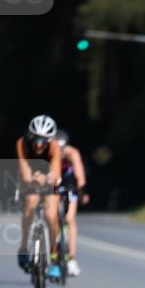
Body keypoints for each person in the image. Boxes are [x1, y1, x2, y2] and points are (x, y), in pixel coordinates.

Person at [15, 115, 62, 279]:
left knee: (50, 216)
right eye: (36, 140)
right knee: (30, 202)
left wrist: (49, 178)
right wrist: (33, 179)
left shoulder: (55, 147)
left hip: (48, 176)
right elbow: (24, 171)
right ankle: (23, 247)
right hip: (30, 174)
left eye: (43, 141)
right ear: (30, 137)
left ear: (50, 140)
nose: (39, 145)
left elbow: (56, 174)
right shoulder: (22, 144)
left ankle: (54, 259)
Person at [56, 128, 90, 276]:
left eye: (62, 148)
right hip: (52, 186)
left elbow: (80, 174)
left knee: (69, 219)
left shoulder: (72, 153)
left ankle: (71, 258)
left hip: (69, 186)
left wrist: (82, 191)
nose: (60, 151)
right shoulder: (47, 153)